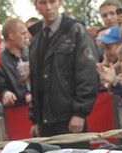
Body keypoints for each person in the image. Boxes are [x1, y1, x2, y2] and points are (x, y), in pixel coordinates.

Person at [27, 0, 99, 142]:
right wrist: (35, 119)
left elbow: (88, 73)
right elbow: (35, 81)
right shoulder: (36, 39)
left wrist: (80, 113)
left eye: (52, 1)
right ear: (36, 6)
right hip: (45, 123)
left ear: (59, 2)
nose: (48, 7)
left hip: (71, 119)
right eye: (43, 2)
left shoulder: (76, 30)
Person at [0, 18, 32, 108]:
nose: (27, 37)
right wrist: (7, 94)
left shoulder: (32, 54)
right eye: (23, 33)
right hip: (17, 110)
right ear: (12, 36)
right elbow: (2, 88)